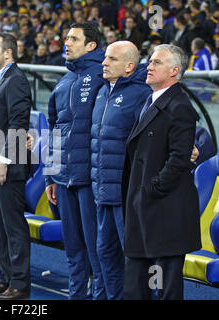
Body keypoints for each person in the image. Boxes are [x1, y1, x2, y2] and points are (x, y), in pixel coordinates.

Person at [122, 44, 201, 300]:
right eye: (150, 61)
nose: (149, 66)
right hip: (144, 205)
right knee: (137, 282)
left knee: (166, 287)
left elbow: (179, 158)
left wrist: (153, 188)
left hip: (165, 208)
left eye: (157, 62)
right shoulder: (150, 99)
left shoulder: (180, 106)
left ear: (174, 71)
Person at [44, 22, 106, 300]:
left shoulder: (103, 73)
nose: (66, 43)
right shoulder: (64, 80)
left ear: (91, 45)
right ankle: (77, 295)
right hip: (64, 176)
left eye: (73, 39)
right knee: (73, 246)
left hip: (90, 178)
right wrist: (50, 175)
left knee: (97, 247)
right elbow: (54, 129)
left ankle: (101, 295)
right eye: (66, 37)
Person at [91, 41, 152, 300]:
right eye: (105, 57)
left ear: (129, 66)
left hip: (127, 195)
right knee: (105, 252)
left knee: (134, 257)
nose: (104, 62)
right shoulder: (102, 91)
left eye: (112, 59)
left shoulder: (142, 95)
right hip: (102, 189)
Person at [0, 32, 32, 300]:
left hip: (6, 166)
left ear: (8, 53)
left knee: (12, 226)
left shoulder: (16, 80)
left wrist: (3, 160)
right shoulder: (3, 78)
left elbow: (18, 123)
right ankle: (6, 277)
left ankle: (20, 284)